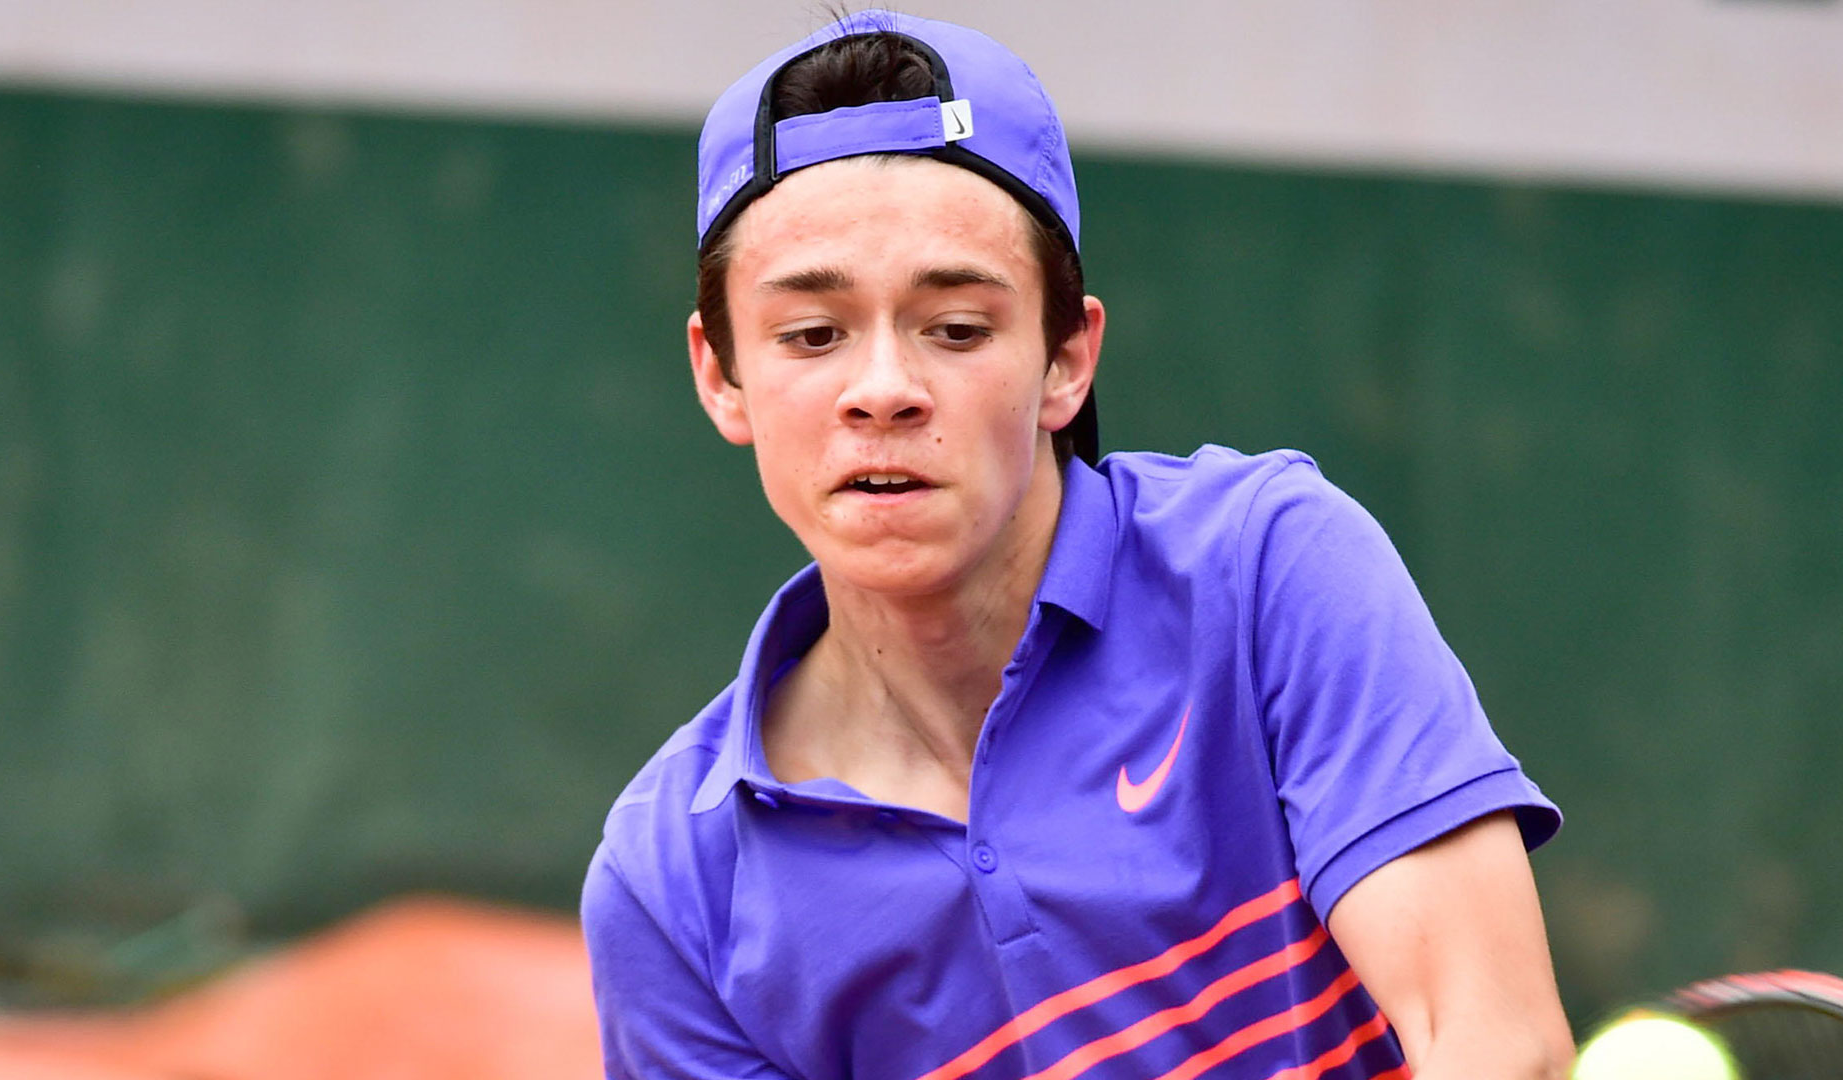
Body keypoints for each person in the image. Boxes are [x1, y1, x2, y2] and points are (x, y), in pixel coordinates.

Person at [582, 11, 1574, 1079]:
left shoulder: (1268, 568)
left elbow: (1494, 1041)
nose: (883, 391)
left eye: (957, 329)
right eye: (812, 335)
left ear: (1066, 360)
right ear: (722, 375)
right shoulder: (672, 890)